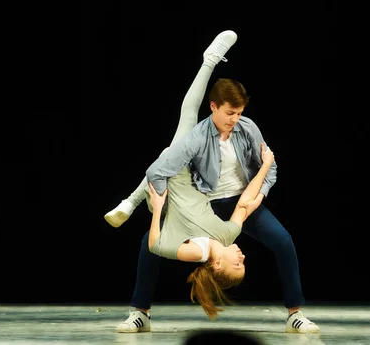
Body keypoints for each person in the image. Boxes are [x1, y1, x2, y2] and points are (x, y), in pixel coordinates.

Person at [106, 30, 320, 334]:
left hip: (241, 200)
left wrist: (260, 195)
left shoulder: (247, 129)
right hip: (203, 203)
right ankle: (140, 312)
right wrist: (162, 203)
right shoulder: (196, 137)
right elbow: (162, 169)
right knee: (148, 245)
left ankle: (295, 313)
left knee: (283, 241)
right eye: (230, 113)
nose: (235, 119)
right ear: (214, 108)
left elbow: (268, 169)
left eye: (239, 113)